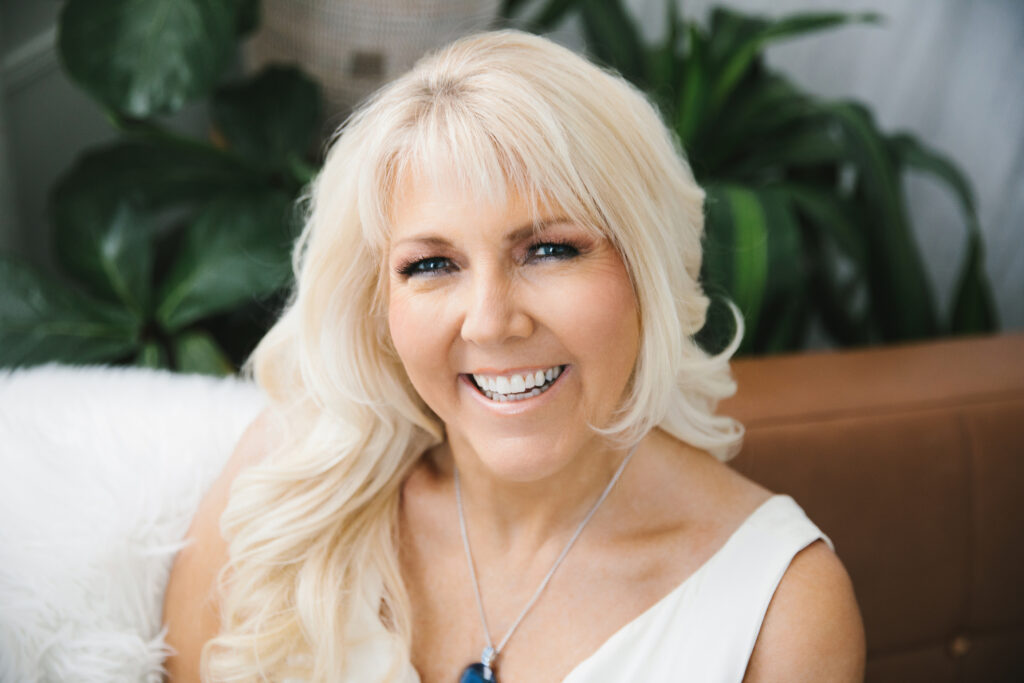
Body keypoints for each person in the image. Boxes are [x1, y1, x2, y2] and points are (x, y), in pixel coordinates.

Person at [162, 29, 865, 682]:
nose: (492, 322)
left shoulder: (783, 608)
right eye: (432, 264)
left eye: (550, 249)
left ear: (645, 268)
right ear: (379, 303)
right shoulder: (284, 492)